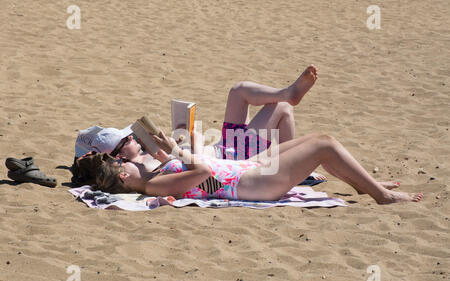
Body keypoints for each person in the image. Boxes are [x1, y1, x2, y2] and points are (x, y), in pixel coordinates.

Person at [91, 65, 327, 179]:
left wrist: (181, 136)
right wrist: (186, 142)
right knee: (282, 109)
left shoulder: (144, 156)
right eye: (126, 140)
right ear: (119, 155)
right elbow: (196, 168)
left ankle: (287, 92)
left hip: (224, 146)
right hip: (233, 157)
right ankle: (297, 170)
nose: (132, 138)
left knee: (238, 90)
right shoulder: (142, 168)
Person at [95, 129, 423, 205]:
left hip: (248, 168)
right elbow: (203, 174)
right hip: (255, 183)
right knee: (323, 146)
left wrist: (169, 148)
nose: (126, 160)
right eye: (122, 164)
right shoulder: (153, 186)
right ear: (125, 176)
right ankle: (381, 196)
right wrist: (183, 150)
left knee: (317, 139)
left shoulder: (153, 175)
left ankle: (363, 184)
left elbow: (186, 171)